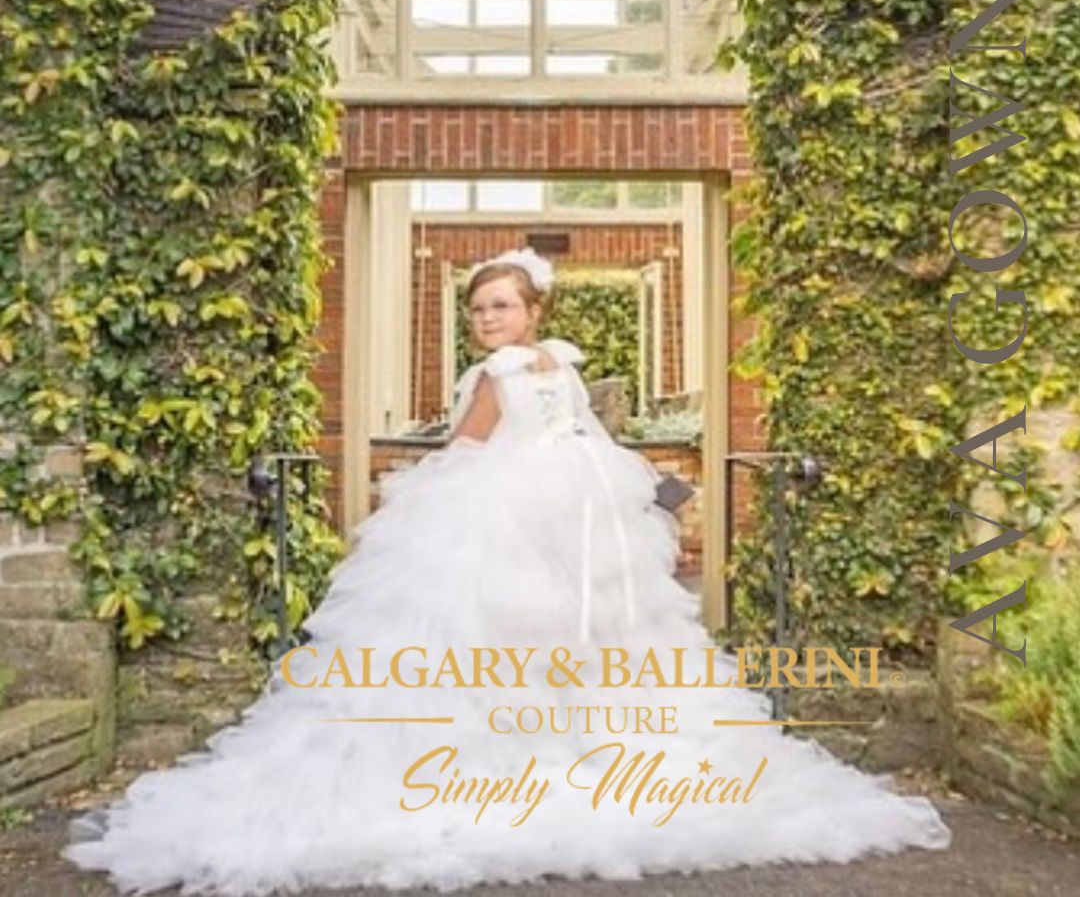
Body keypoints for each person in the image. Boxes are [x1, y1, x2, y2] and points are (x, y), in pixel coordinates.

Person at [62, 247, 952, 895]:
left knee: (507, 633)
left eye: (501, 307)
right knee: (567, 639)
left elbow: (464, 451)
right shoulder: (556, 365)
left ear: (532, 313)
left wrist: (406, 498)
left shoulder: (498, 371)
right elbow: (590, 441)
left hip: (536, 515)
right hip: (573, 509)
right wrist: (649, 493)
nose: (488, 320)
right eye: (479, 309)